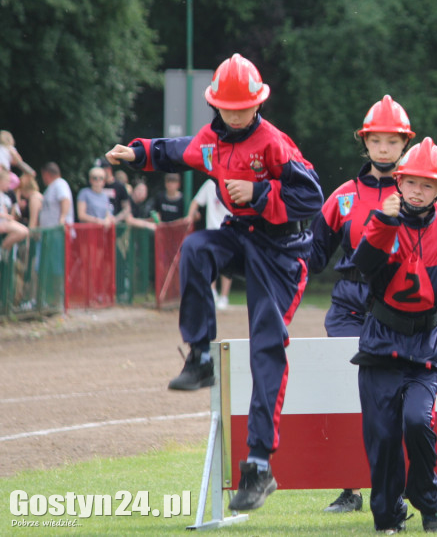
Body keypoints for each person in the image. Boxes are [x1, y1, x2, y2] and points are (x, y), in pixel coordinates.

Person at [105, 53, 323, 512]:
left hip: (283, 254)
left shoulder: (274, 144)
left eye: (244, 107)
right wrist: (139, 152)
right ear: (216, 105)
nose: (236, 114)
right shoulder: (213, 139)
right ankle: (201, 355)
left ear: (258, 103)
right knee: (196, 249)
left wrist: (262, 193)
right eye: (228, 107)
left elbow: (312, 196)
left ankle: (259, 466)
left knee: (266, 344)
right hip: (243, 238)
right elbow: (179, 150)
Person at [349, 137, 437, 535]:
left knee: (418, 422)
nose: (417, 191)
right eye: (411, 183)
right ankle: (388, 517)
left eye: (427, 185)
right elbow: (362, 266)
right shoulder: (380, 220)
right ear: (399, 183)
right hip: (380, 346)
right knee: (383, 437)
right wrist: (384, 225)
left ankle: (430, 502)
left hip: (425, 348)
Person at [308, 94, 415, 514]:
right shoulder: (342, 197)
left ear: (404, 144)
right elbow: (314, 256)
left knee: (393, 400)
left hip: (398, 313)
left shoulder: (419, 191)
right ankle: (349, 488)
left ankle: (393, 487)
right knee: (353, 396)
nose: (384, 149)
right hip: (349, 308)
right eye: (377, 141)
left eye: (393, 142)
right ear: (365, 143)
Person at [188, 177, 234, 309]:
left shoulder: (232, 182)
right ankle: (212, 293)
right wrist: (190, 217)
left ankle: (224, 297)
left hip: (228, 229)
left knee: (227, 265)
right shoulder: (209, 184)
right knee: (211, 263)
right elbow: (196, 202)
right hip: (212, 230)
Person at [0, 167, 30, 252]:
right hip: (2, 221)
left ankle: (4, 248)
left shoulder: (3, 195)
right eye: (7, 182)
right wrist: (6, 216)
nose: (9, 185)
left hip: (4, 221)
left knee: (25, 231)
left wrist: (8, 216)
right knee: (22, 232)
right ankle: (3, 248)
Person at [96, 158, 131, 224]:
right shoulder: (97, 186)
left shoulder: (120, 187)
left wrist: (115, 219)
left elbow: (127, 208)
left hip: (115, 225)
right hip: (99, 223)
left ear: (108, 170)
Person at [38, 163, 73, 228]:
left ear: (46, 174)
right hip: (51, 231)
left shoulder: (60, 183)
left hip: (59, 230)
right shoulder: (51, 187)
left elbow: (65, 199)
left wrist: (62, 218)